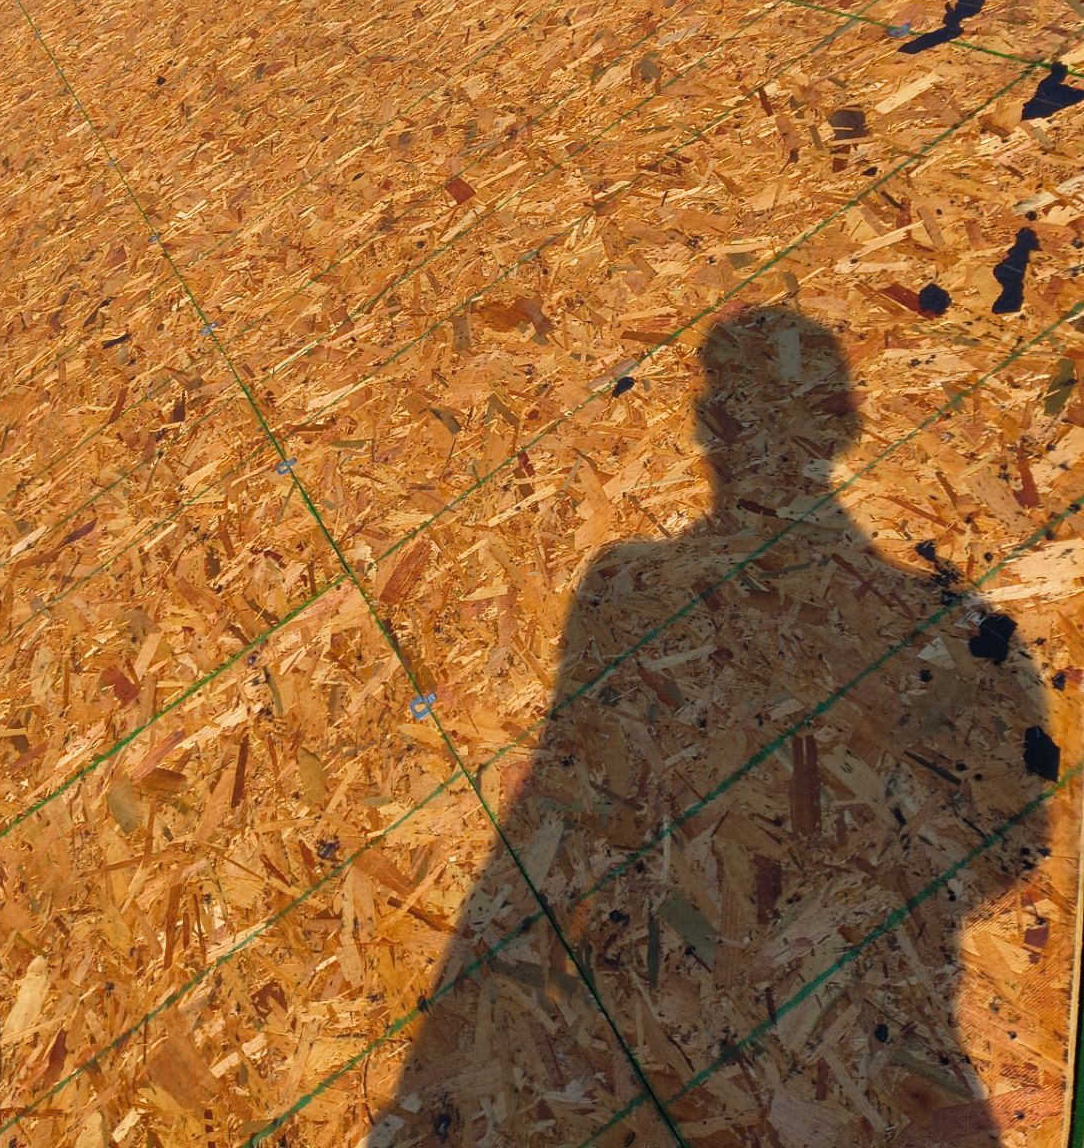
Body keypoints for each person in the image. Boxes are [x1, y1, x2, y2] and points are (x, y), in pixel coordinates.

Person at [370, 307, 1056, 1146]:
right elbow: (1008, 847)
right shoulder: (964, 633)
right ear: (846, 422)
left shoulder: (624, 588)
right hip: (865, 1070)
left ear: (707, 425)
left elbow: (576, 812)